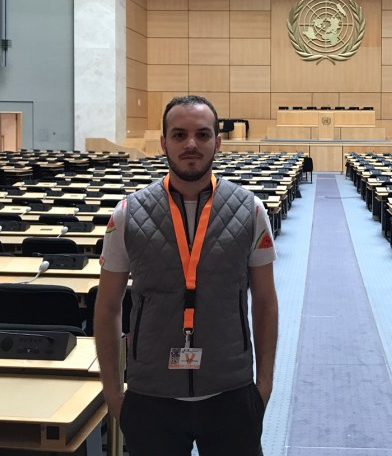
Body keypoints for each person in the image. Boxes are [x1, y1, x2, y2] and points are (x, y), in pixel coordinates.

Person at [95, 95, 278, 456]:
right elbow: (107, 308)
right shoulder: (127, 214)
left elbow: (266, 303)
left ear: (218, 142)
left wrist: (264, 387)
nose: (191, 144)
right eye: (179, 135)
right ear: (163, 142)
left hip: (231, 392)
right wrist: (114, 395)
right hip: (151, 395)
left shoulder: (251, 210)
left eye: (202, 134)